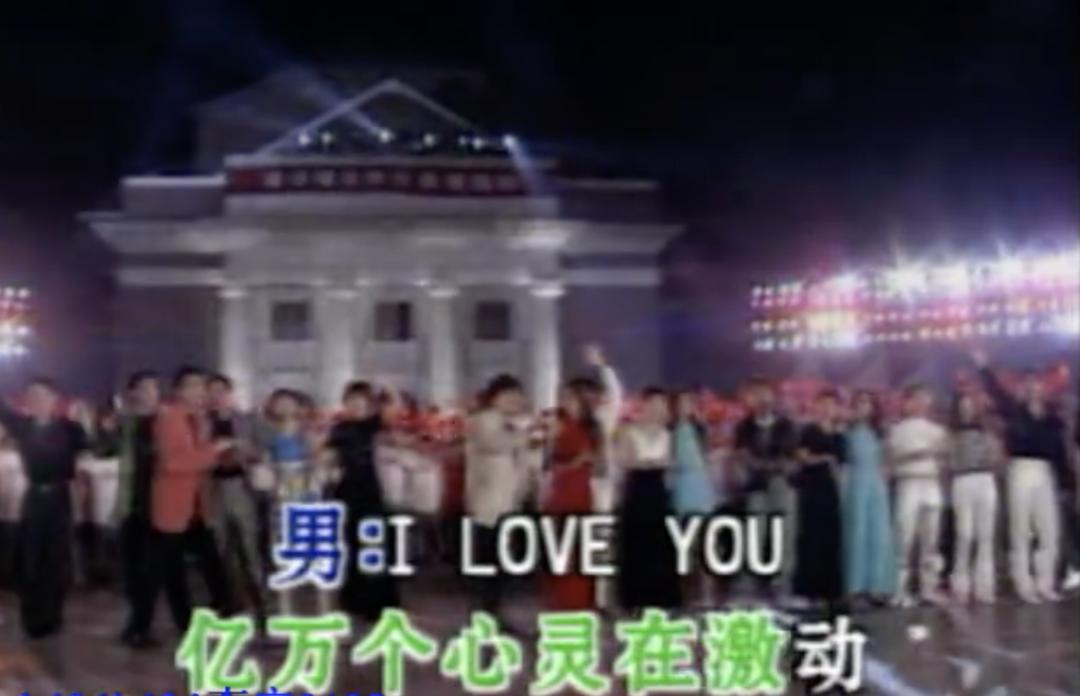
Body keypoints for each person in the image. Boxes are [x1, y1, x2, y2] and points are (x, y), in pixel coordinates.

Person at [127, 366, 233, 639]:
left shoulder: (199, 419)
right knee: (162, 569)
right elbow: (174, 463)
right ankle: (141, 628)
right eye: (192, 386)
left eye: (202, 387)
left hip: (195, 505)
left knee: (197, 562)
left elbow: (200, 459)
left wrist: (222, 454)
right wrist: (213, 452)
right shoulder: (169, 419)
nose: (199, 392)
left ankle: (202, 616)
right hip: (171, 505)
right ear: (178, 391)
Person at [0, 377, 89, 667]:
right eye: (32, 396)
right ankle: (32, 618)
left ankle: (53, 616)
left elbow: (88, 454)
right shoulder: (22, 426)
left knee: (57, 556)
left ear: (55, 399)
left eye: (43, 395)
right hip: (34, 496)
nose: (38, 401)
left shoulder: (71, 429)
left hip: (61, 496)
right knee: (31, 556)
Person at [972, 349, 1069, 602]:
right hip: (1020, 468)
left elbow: (1060, 451)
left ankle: (1045, 583)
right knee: (1020, 528)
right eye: (1029, 383)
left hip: (1045, 472)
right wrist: (984, 368)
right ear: (1023, 388)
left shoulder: (1051, 417)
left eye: (1037, 383)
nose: (1033, 387)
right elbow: (996, 392)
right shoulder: (1014, 411)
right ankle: (1023, 583)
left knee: (1049, 530)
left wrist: (1066, 482)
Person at [326, 381, 401, 621]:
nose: (356, 406)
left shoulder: (377, 426)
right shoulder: (339, 429)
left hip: (374, 491)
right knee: (352, 546)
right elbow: (329, 456)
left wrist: (385, 389)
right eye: (351, 401)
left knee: (376, 546)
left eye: (361, 401)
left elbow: (394, 407)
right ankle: (354, 600)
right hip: (347, 492)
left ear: (370, 404)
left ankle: (378, 602)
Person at [464, 374, 535, 624]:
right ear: (495, 398)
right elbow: (494, 444)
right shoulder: (484, 420)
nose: (514, 401)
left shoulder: (513, 423)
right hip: (487, 502)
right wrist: (522, 433)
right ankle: (483, 616)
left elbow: (524, 458)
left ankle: (495, 612)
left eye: (517, 396)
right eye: (508, 396)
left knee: (503, 562)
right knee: (488, 562)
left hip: (508, 501)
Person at [205, 374, 268, 631]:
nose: (217, 396)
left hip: (241, 486)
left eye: (221, 391)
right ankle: (230, 602)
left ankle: (261, 602)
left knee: (249, 546)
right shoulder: (201, 422)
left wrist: (244, 450)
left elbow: (262, 451)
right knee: (220, 547)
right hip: (211, 488)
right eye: (212, 392)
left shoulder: (247, 420)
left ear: (230, 393)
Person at [615, 387, 681, 611]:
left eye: (662, 405)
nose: (657, 410)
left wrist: (665, 465)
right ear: (643, 405)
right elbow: (623, 460)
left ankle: (661, 598)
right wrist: (646, 463)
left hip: (658, 490)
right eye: (653, 404)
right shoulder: (629, 431)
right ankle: (635, 599)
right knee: (637, 543)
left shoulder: (667, 434)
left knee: (660, 543)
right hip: (638, 488)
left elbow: (671, 461)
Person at [732, 379, 798, 598]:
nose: (762, 399)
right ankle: (747, 588)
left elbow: (792, 458)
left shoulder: (786, 425)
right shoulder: (744, 426)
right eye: (757, 394)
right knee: (754, 534)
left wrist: (771, 465)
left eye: (766, 394)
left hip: (782, 485)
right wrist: (764, 465)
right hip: (756, 486)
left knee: (785, 535)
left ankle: (782, 585)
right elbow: (742, 456)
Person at [540, 378, 600, 611]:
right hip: (562, 489)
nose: (566, 402)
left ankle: (583, 600)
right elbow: (550, 461)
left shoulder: (590, 426)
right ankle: (562, 600)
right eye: (563, 397)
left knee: (582, 544)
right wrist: (576, 461)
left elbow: (597, 459)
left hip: (582, 488)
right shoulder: (558, 425)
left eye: (571, 398)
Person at [887, 384, 949, 606]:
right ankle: (898, 589)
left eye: (926, 399)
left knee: (931, 540)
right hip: (908, 483)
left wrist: (938, 462)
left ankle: (928, 588)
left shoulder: (938, 431)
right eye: (917, 399)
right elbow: (891, 461)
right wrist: (917, 455)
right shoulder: (897, 430)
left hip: (931, 484)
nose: (922, 404)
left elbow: (945, 460)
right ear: (908, 402)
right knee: (904, 537)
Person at [115, 370, 162, 648]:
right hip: (129, 504)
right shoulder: (126, 424)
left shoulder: (165, 422)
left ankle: (142, 625)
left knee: (151, 570)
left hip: (158, 505)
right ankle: (136, 623)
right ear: (132, 393)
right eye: (144, 388)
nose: (149, 394)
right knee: (131, 570)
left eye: (154, 388)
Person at [948, 392, 1003, 604]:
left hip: (985, 479)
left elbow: (997, 457)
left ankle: (984, 587)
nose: (967, 410)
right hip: (962, 480)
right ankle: (960, 585)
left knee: (985, 535)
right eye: (963, 406)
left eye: (971, 405)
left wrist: (992, 454)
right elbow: (948, 461)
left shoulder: (987, 430)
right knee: (965, 534)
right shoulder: (951, 433)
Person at [842, 390, 896, 604]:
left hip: (876, 483)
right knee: (857, 531)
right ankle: (855, 586)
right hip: (855, 482)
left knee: (878, 533)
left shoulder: (880, 432)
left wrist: (885, 474)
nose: (863, 407)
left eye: (867, 403)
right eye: (859, 403)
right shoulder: (847, 431)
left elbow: (887, 458)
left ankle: (877, 586)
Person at [792, 390, 844, 608]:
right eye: (823, 404)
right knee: (810, 536)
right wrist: (824, 459)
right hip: (811, 488)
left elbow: (842, 462)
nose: (827, 409)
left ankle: (830, 591)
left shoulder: (839, 434)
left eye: (831, 405)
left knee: (831, 538)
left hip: (832, 490)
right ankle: (808, 590)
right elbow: (802, 457)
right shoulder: (808, 431)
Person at [671, 390, 719, 606]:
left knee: (707, 544)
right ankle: (686, 596)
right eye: (681, 403)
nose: (686, 407)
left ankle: (708, 595)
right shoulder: (670, 430)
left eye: (689, 403)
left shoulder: (699, 429)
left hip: (701, 488)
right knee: (685, 546)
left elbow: (709, 455)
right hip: (681, 489)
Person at [0, 421, 25, 589]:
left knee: (12, 546)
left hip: (16, 509)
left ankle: (10, 578)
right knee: (9, 546)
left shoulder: (18, 458)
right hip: (9, 510)